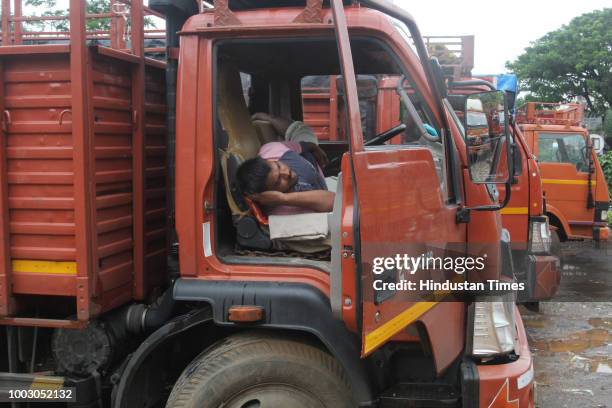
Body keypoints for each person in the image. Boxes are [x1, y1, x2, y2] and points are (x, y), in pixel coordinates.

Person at [236, 114, 334, 216]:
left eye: (278, 166)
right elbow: (333, 201)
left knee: (301, 129)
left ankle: (270, 118)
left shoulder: (271, 150)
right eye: (278, 181)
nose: (286, 173)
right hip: (322, 182)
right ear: (268, 194)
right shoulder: (286, 209)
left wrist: (314, 147)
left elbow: (303, 145)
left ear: (270, 160)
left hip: (307, 156)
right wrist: (283, 199)